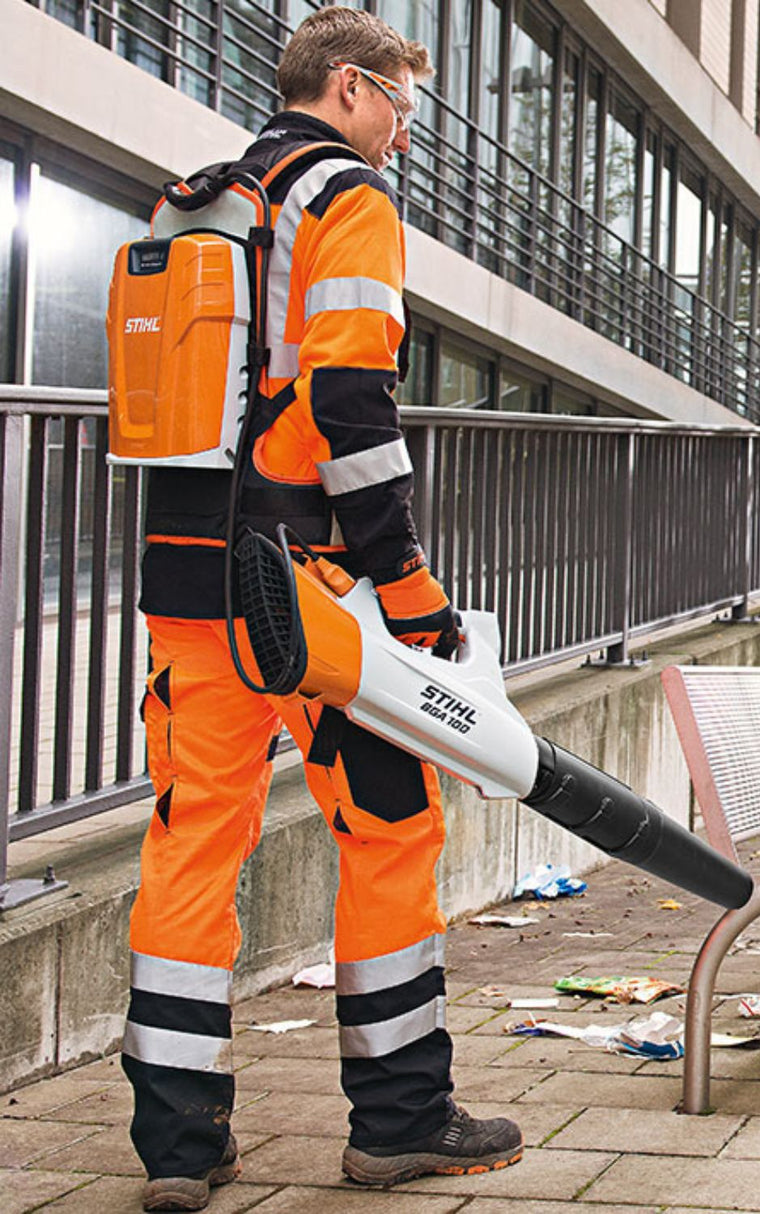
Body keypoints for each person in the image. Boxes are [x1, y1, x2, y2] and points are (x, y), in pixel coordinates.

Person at [119, 8, 522, 1210]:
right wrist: (406, 584)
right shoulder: (344, 200)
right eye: (403, 103)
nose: (406, 132)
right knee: (389, 828)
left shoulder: (195, 200)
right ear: (347, 87)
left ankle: (179, 1146)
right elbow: (351, 404)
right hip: (309, 594)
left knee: (192, 837)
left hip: (186, 579)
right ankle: (399, 1119)